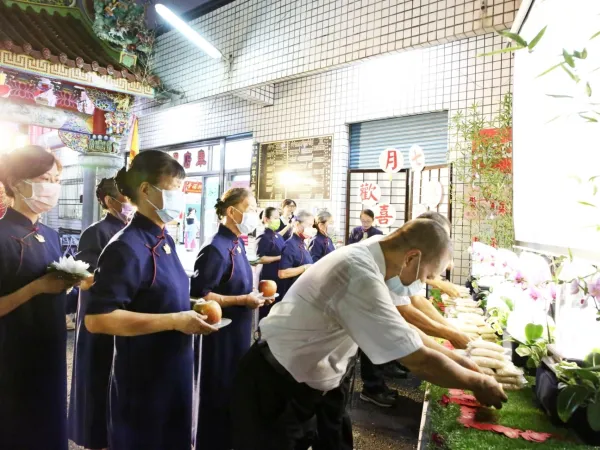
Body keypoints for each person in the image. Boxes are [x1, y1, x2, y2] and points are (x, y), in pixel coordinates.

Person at [231, 219, 507, 450]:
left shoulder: (377, 253)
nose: (423, 283)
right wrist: (477, 382)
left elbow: (405, 331)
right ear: (412, 257)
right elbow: (418, 360)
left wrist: (464, 362)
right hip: (275, 386)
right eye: (426, 275)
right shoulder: (359, 274)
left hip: (316, 382)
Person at [85, 151, 216, 450]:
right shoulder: (126, 247)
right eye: (175, 189)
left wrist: (192, 309)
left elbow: (159, 295)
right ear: (145, 189)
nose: (180, 197)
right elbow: (98, 319)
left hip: (174, 370)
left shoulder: (164, 239)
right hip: (143, 380)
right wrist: (174, 320)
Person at [0, 145, 77, 450]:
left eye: (57, 180)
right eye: (46, 179)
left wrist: (72, 283)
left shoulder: (50, 234)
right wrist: (36, 288)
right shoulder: (3, 236)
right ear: (16, 183)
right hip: (11, 356)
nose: (53, 187)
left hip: (49, 348)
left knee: (50, 424)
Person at [360, 211, 473, 407]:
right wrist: (450, 339)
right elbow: (404, 314)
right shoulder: (389, 260)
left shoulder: (403, 257)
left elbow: (415, 300)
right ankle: (372, 388)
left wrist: (451, 330)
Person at [191, 187, 269, 450]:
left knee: (233, 392)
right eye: (251, 209)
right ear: (232, 212)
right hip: (219, 337)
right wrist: (242, 300)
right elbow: (201, 294)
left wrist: (255, 296)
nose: (255, 214)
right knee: (216, 393)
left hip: (238, 333)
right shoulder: (215, 248)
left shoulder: (237, 244)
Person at [68, 177, 134, 450]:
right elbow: (86, 277)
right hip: (101, 320)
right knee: (98, 383)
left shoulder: (135, 231)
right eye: (127, 197)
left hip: (126, 320)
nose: (132, 203)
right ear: (110, 201)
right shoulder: (97, 233)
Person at [278, 209, 315, 300]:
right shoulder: (290, 245)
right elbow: (282, 273)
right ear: (297, 224)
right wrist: (305, 268)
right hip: (292, 295)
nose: (311, 229)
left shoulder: (302, 243)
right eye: (309, 225)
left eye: (312, 226)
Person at [256, 206, 286, 321]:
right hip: (269, 279)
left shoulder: (277, 235)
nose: (278, 221)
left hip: (280, 278)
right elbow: (260, 258)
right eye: (275, 218)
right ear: (266, 219)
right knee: (267, 312)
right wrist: (279, 257)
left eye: (279, 218)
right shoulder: (263, 237)